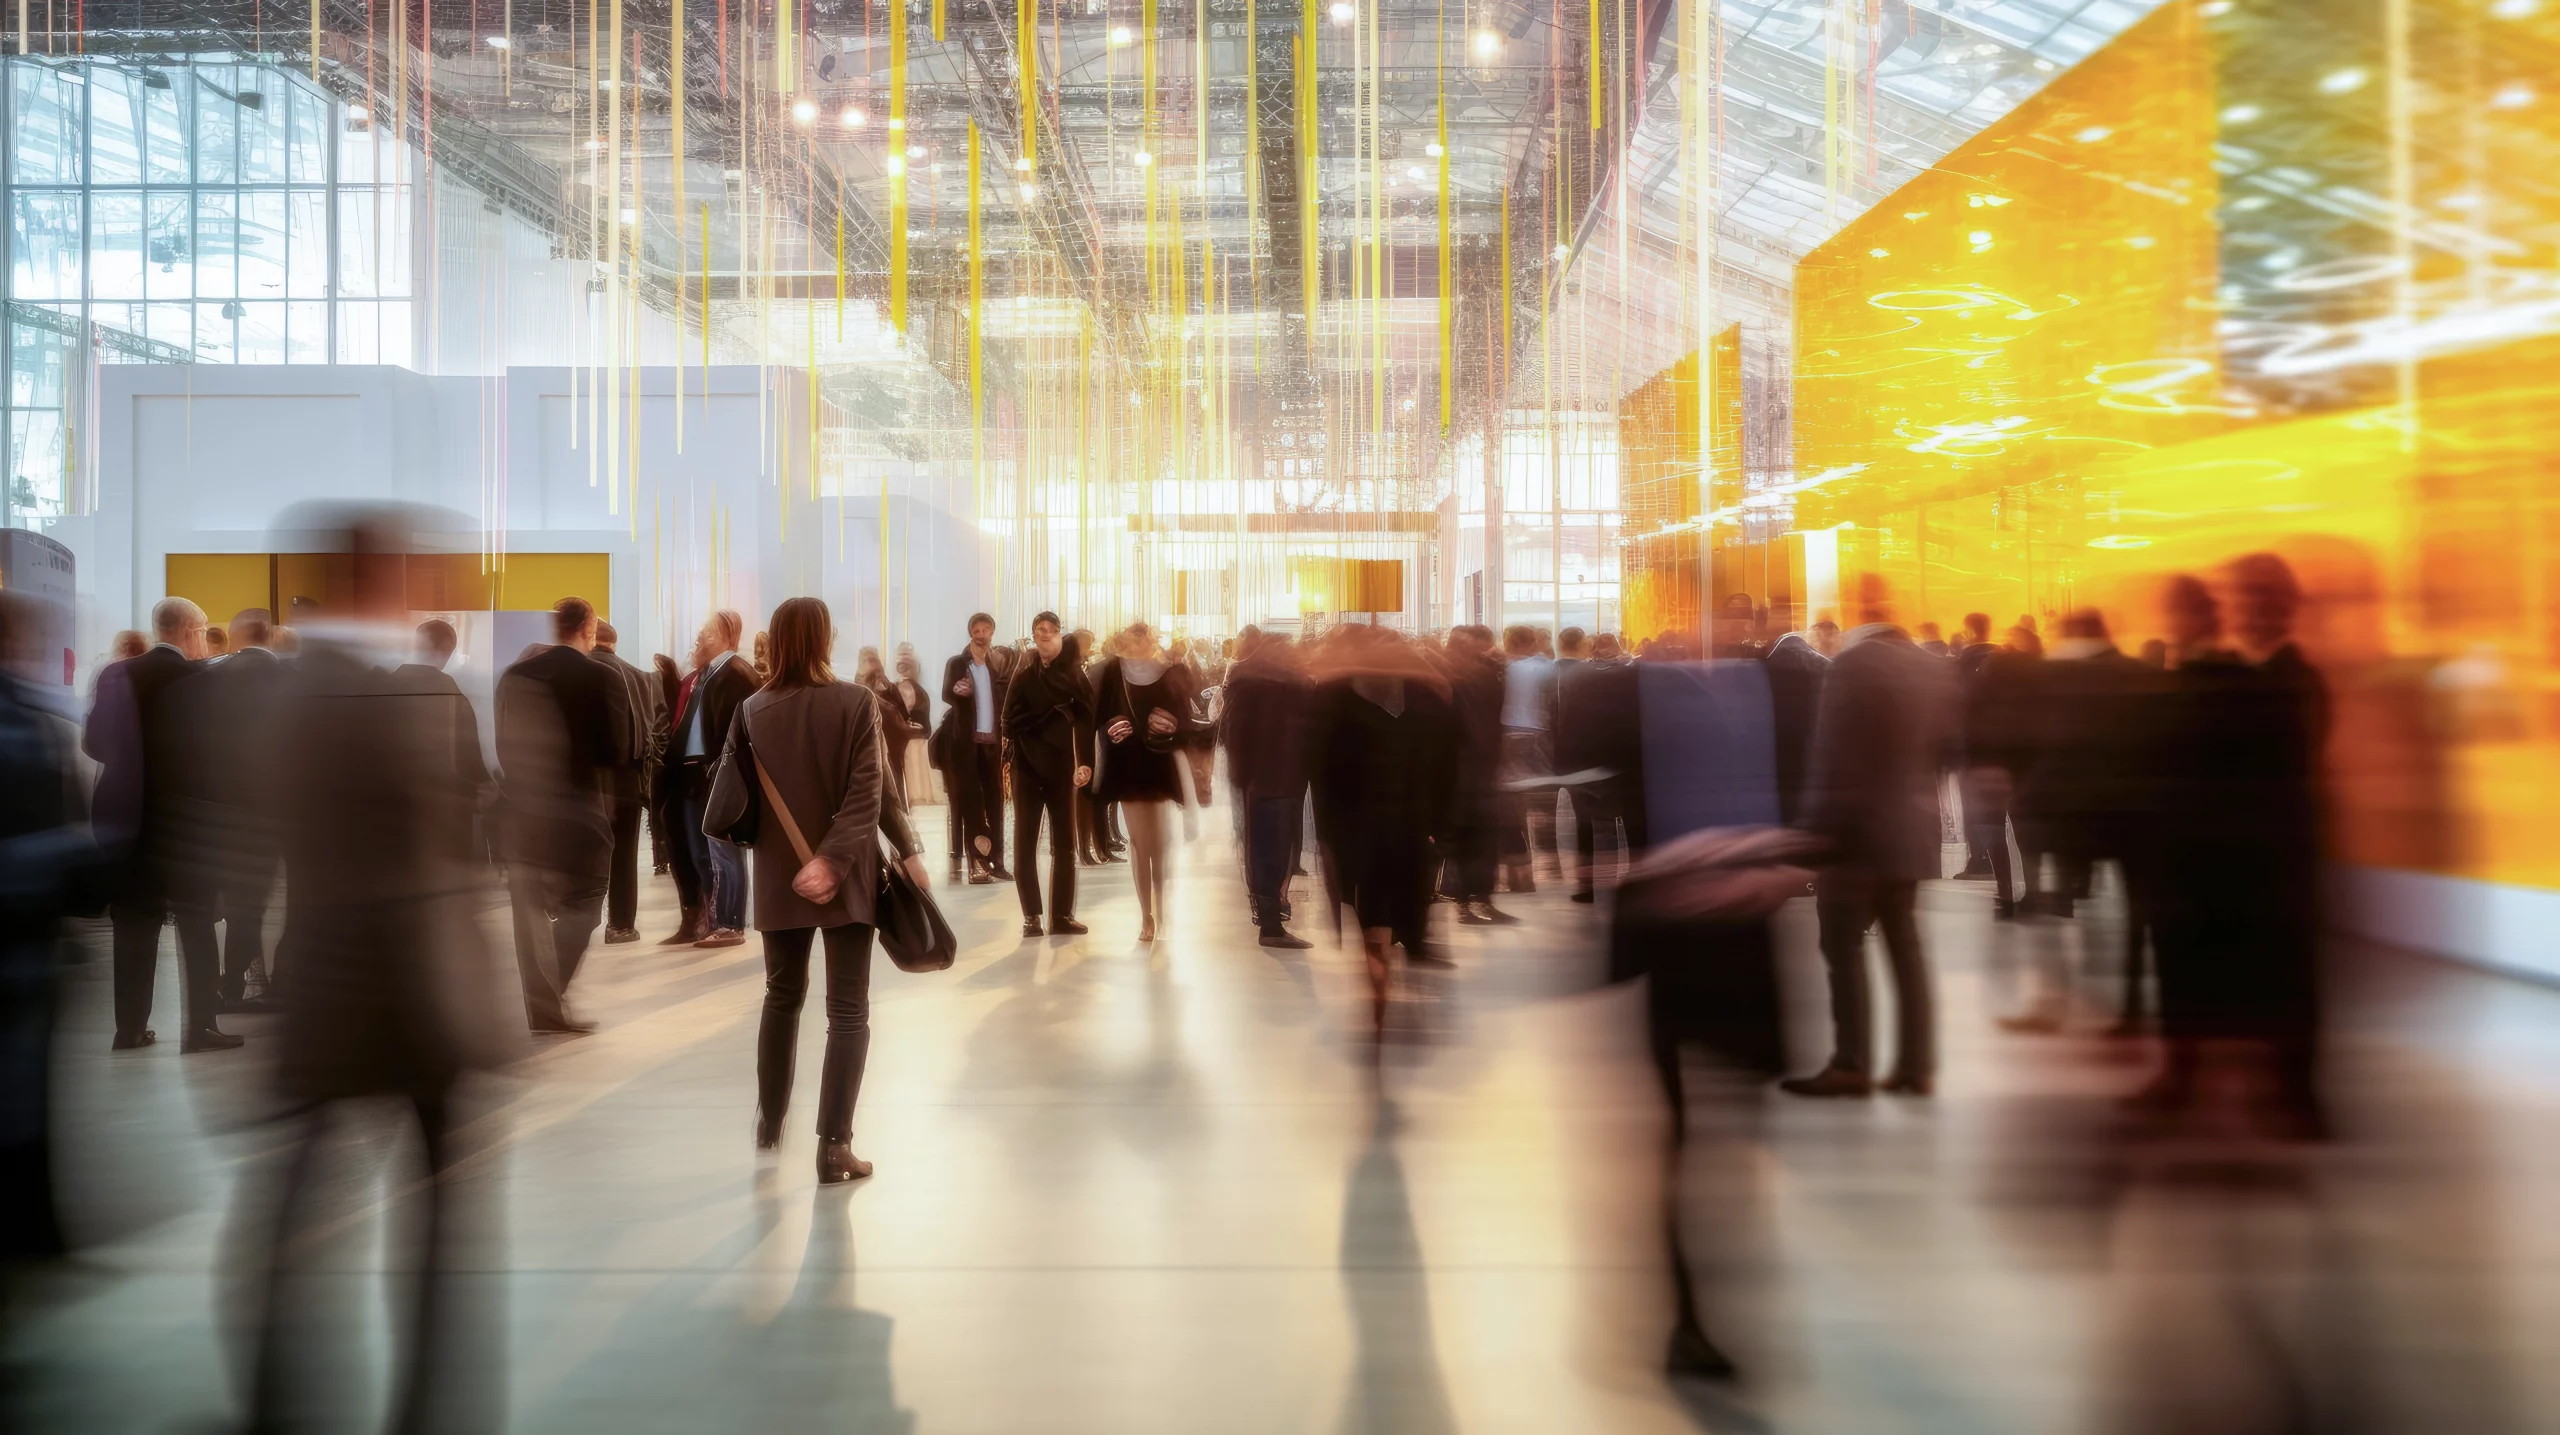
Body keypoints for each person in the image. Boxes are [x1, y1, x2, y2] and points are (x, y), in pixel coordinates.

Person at [242, 506, 512, 1433]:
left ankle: (282, 1404)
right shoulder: (395, 694)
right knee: (433, 1225)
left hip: (324, 988)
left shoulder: (282, 693)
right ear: (382, 579)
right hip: (408, 996)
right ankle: (425, 1407)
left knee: (293, 1214)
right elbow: (436, 846)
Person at [703, 597, 926, 1185]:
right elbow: (869, 792)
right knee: (847, 1009)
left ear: (775, 641)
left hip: (780, 875)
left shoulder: (752, 708)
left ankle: (769, 1122)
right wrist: (851, 858)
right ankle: (834, 1147)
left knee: (782, 997)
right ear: (826, 639)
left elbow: (734, 795)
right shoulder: (855, 703)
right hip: (847, 875)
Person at [2144, 560, 2330, 1136]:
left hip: (2269, 853)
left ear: (2287, 605)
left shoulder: (2296, 680)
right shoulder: (2213, 675)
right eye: (2243, 596)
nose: (2251, 607)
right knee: (2193, 962)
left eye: (2264, 596)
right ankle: (2185, 1072)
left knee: (2283, 971)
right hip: (2207, 852)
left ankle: (2292, 1089)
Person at [1782, 575, 1961, 1099]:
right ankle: (1916, 1065)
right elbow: (1948, 748)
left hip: (1856, 833)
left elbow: (1832, 755)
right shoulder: (1932, 666)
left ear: (1860, 607)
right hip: (1911, 829)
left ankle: (1851, 1063)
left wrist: (1813, 834)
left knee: (1841, 945)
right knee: (1906, 947)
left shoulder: (1851, 665)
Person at [84, 596, 236, 1052]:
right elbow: (216, 759)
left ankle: (129, 1029)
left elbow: (94, 744)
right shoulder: (202, 681)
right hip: (184, 822)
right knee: (197, 922)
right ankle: (201, 1027)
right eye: (203, 630)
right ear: (190, 631)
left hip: (124, 818)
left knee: (133, 923)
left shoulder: (116, 675)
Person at [0, 589, 102, 1261]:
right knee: (24, 1086)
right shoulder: (33, 727)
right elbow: (66, 841)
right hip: (25, 942)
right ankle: (33, 1229)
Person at [1308, 626, 1459, 1032]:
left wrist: (1328, 836)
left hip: (1366, 828)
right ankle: (1386, 973)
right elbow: (1448, 767)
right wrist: (1441, 827)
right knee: (1399, 906)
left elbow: (1320, 772)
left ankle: (1380, 978)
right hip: (1405, 826)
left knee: (1378, 911)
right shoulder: (1428, 695)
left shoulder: (1335, 697)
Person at [495, 596, 634, 1034]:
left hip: (523, 809)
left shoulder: (514, 676)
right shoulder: (599, 675)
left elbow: (502, 744)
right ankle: (550, 995)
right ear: (588, 629)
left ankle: (542, 1004)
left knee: (530, 910)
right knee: (588, 901)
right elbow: (616, 750)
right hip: (579, 808)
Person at [169, 607, 290, 1014]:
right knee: (250, 904)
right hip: (269, 811)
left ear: (236, 637)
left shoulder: (207, 678)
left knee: (210, 906)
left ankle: (211, 992)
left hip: (213, 810)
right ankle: (235, 984)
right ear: (270, 635)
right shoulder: (290, 681)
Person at [1091, 623, 1197, 943]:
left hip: (1159, 762)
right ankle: (1146, 915)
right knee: (1140, 841)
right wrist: (1111, 726)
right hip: (1127, 763)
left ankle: (1161, 909)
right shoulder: (1110, 672)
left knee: (1159, 842)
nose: (1142, 643)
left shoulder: (1170, 671)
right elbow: (1097, 715)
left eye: (1145, 638)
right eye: (1136, 639)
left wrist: (1171, 724)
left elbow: (1186, 720)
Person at [666, 611, 759, 946]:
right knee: (700, 850)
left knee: (724, 850)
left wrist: (723, 767)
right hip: (695, 773)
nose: (700, 639)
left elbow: (741, 730)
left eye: (708, 634)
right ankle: (713, 920)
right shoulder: (705, 675)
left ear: (727, 636)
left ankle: (730, 924)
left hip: (718, 773)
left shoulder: (736, 673)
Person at [1000, 612, 1094, 938]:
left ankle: (1062, 916)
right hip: (1026, 769)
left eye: (1052, 631)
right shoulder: (1024, 674)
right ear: (1033, 634)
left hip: (1060, 769)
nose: (1045, 635)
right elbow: (1008, 723)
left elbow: (1087, 719)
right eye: (1040, 630)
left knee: (1066, 843)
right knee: (1025, 843)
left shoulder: (1074, 675)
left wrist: (1086, 763)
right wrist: (1049, 716)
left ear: (1059, 635)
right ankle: (1031, 918)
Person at [1221, 631, 1314, 947]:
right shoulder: (1294, 684)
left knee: (1261, 848)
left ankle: (1269, 917)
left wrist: (1241, 773)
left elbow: (1231, 731)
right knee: (1275, 848)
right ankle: (1272, 925)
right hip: (1284, 776)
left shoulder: (1245, 679)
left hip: (1259, 778)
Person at [1964, 620, 2048, 919]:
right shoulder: (2041, 681)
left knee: (1994, 829)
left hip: (1993, 765)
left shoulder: (1988, 680)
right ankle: (2034, 892)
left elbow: (1970, 720)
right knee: (2027, 830)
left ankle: (2005, 893)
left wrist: (1974, 762)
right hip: (2029, 765)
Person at [396, 619, 494, 870]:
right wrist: (486, 785)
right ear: (447, 651)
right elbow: (469, 754)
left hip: (395, 808)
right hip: (443, 808)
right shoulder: (450, 691)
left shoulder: (385, 685)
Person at [593, 620, 665, 945]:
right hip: (629, 780)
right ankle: (621, 924)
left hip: (588, 778)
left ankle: (568, 916)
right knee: (624, 853)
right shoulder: (638, 677)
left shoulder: (579, 669)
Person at [937, 613, 1017, 884]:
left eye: (985, 629)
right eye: (976, 629)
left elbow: (1005, 697)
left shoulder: (998, 664)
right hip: (965, 743)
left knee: (995, 799)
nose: (980, 634)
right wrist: (958, 691)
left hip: (992, 742)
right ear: (970, 632)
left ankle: (998, 862)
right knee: (972, 799)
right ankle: (977, 862)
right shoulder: (958, 663)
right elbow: (946, 693)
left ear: (992, 632)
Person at [1441, 626, 1512, 923]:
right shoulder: (1452, 678)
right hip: (1463, 768)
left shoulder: (1478, 675)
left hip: (1477, 767)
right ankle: (1468, 901)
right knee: (1470, 837)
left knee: (1480, 836)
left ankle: (1477, 899)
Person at [1498, 624, 1557, 887]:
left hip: (1505, 736)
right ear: (1531, 643)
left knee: (1512, 808)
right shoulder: (1542, 667)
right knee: (1545, 805)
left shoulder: (1501, 668)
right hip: (1535, 735)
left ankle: (1517, 872)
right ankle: (1551, 863)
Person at [890, 650, 937, 805]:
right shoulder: (912, 689)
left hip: (912, 742)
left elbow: (907, 714)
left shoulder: (909, 689)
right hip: (912, 740)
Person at [650, 653, 682, 872]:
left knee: (658, 814)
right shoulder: (679, 697)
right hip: (673, 762)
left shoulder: (658, 702)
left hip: (659, 764)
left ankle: (661, 860)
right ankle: (666, 857)